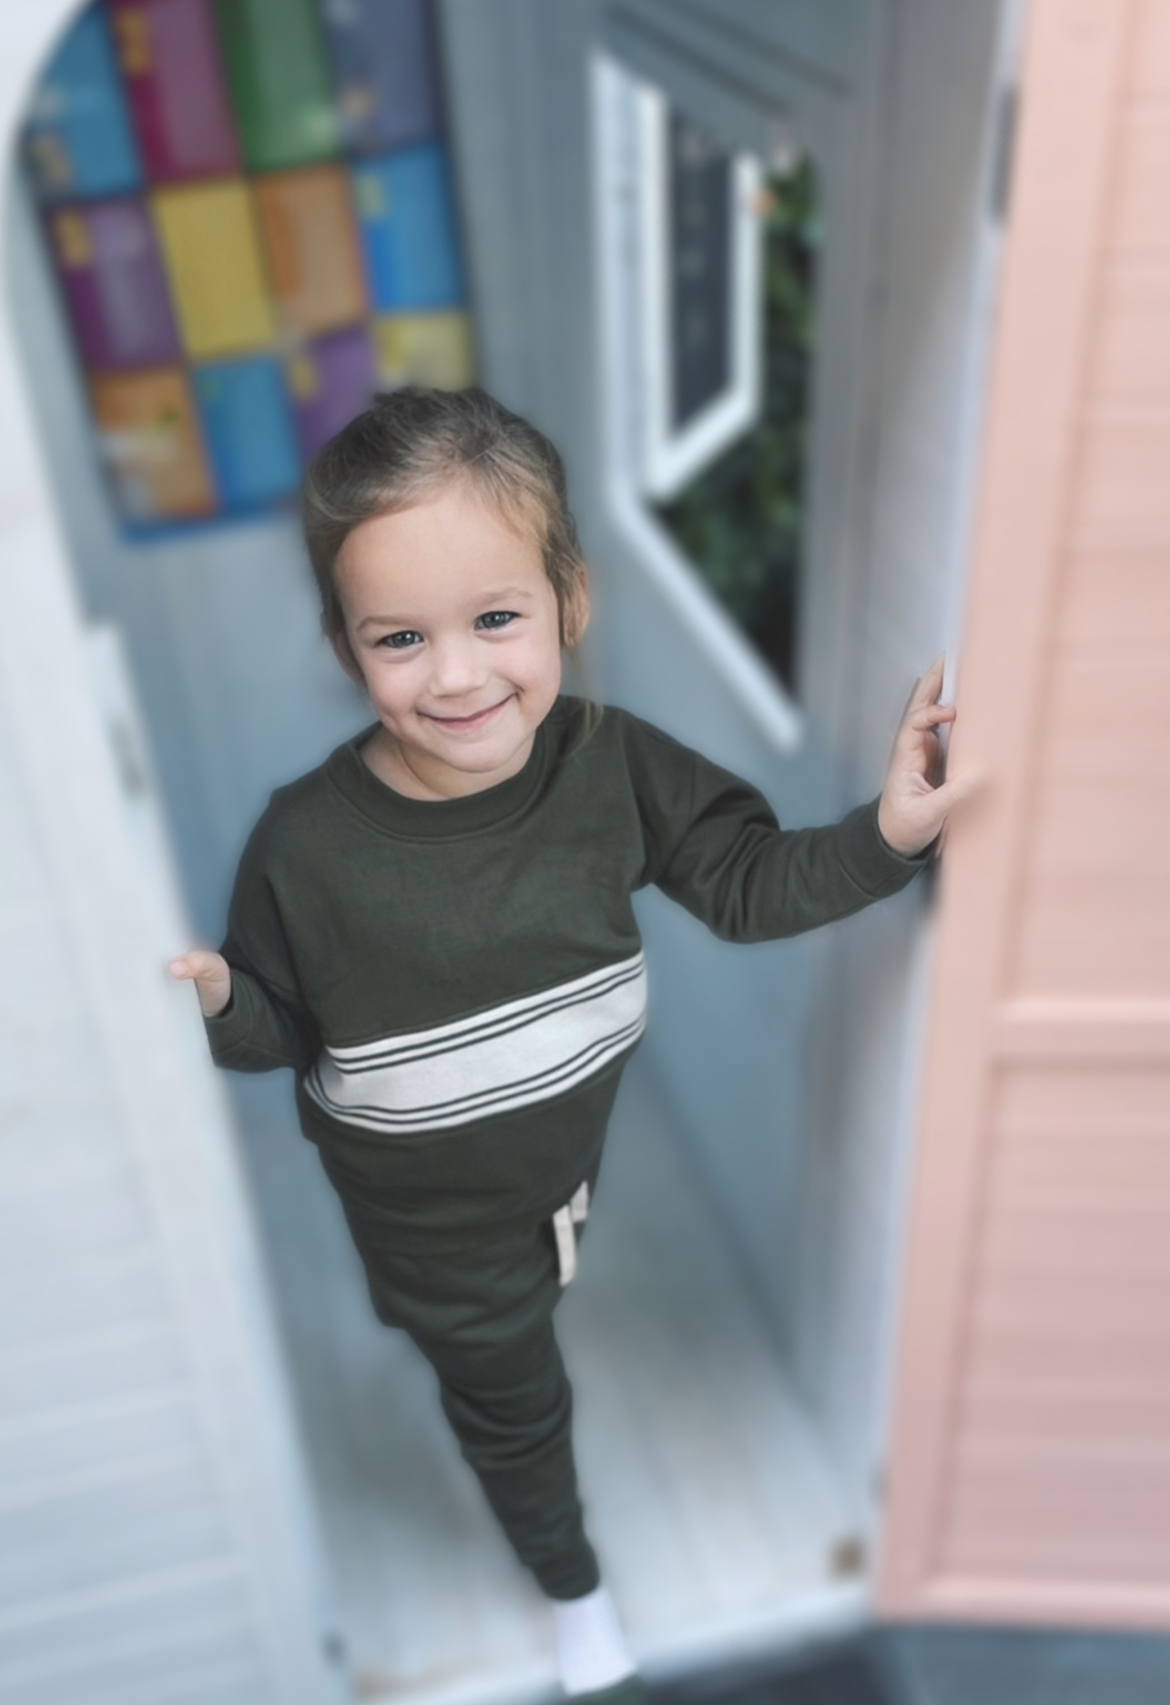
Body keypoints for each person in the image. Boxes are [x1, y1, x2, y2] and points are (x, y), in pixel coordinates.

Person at [170, 386, 975, 1703]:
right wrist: (214, 1002)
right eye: (399, 638)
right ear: (344, 648)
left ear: (569, 604)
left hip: (558, 1173)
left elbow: (743, 879)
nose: (458, 673)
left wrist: (885, 835)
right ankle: (572, 1594)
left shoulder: (610, 769)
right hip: (425, 1215)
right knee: (512, 1399)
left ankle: (498, 1321)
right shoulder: (301, 849)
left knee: (536, 1293)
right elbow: (275, 1035)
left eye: (496, 619)